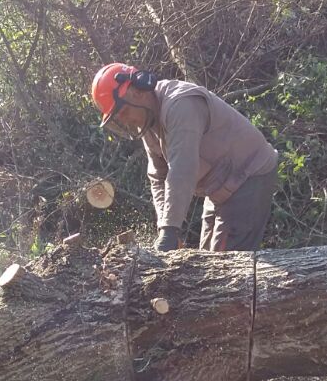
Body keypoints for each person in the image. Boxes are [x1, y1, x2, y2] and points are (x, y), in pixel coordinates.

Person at [90, 62, 280, 251]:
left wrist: (170, 230)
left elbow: (182, 169)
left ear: (138, 91)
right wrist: (165, 228)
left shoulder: (180, 105)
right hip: (219, 187)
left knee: (224, 266)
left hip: (248, 175)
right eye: (117, 116)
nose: (124, 119)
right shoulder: (148, 121)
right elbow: (158, 177)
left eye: (123, 111)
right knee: (205, 259)